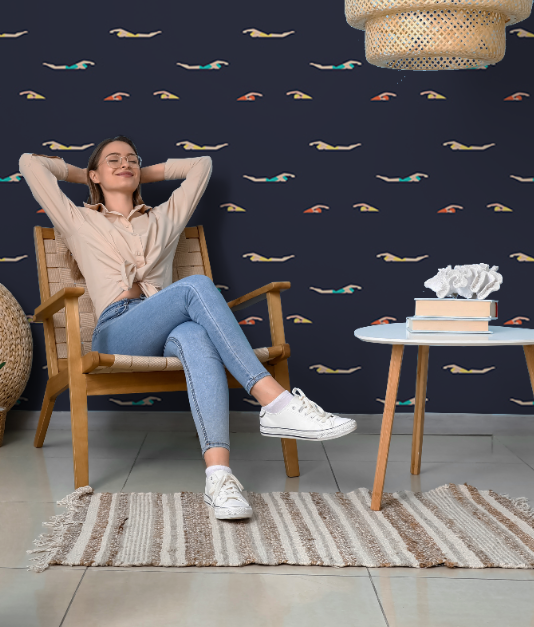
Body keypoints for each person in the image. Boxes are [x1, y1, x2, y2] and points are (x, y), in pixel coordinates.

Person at [19, 136, 356, 521]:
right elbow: (30, 162)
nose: (125, 163)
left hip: (171, 325)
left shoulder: (165, 217)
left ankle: (219, 479)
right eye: (113, 159)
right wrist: (88, 177)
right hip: (118, 328)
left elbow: (202, 166)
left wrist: (130, 173)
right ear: (95, 173)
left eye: (132, 159)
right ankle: (277, 402)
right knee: (196, 285)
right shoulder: (78, 219)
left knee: (196, 337)